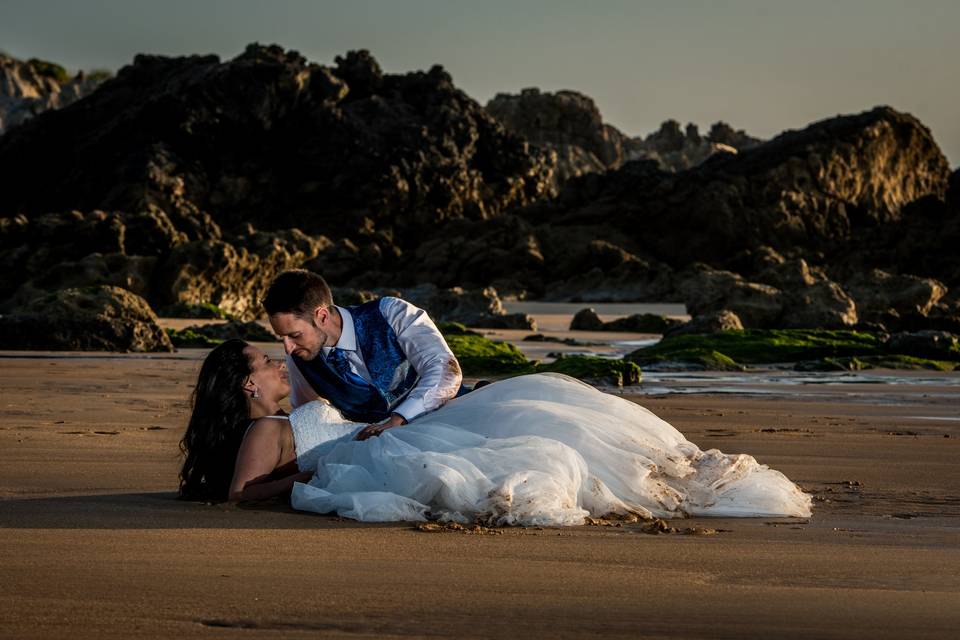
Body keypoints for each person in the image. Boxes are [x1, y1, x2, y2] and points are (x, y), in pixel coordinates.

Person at [179, 340, 812, 524]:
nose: (274, 363)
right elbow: (242, 494)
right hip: (359, 460)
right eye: (263, 363)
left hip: (374, 445)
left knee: (518, 420)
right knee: (508, 444)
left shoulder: (288, 412)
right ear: (246, 386)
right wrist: (309, 470)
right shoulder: (266, 430)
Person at [263, 270, 462, 441]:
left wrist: (399, 418)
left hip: (449, 419)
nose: (288, 348)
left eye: (295, 335)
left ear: (322, 316)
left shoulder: (391, 312)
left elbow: (446, 370)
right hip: (377, 448)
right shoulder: (299, 359)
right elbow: (307, 418)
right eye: (282, 337)